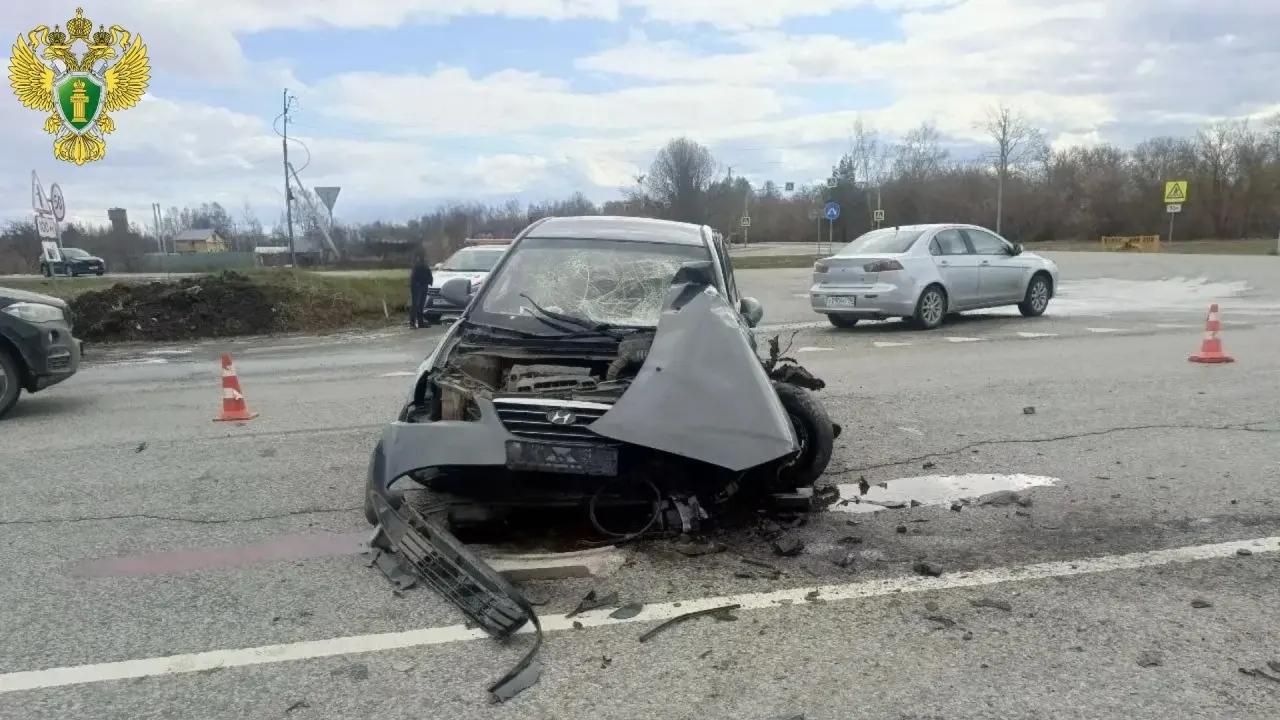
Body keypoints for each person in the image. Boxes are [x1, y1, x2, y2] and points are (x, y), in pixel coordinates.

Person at [409, 253, 433, 328]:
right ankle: (412, 323)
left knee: (421, 305)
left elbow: (428, 273)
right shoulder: (417, 265)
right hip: (417, 285)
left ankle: (420, 322)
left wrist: (429, 281)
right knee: (416, 304)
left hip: (424, 284)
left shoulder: (424, 264)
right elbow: (416, 275)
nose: (426, 260)